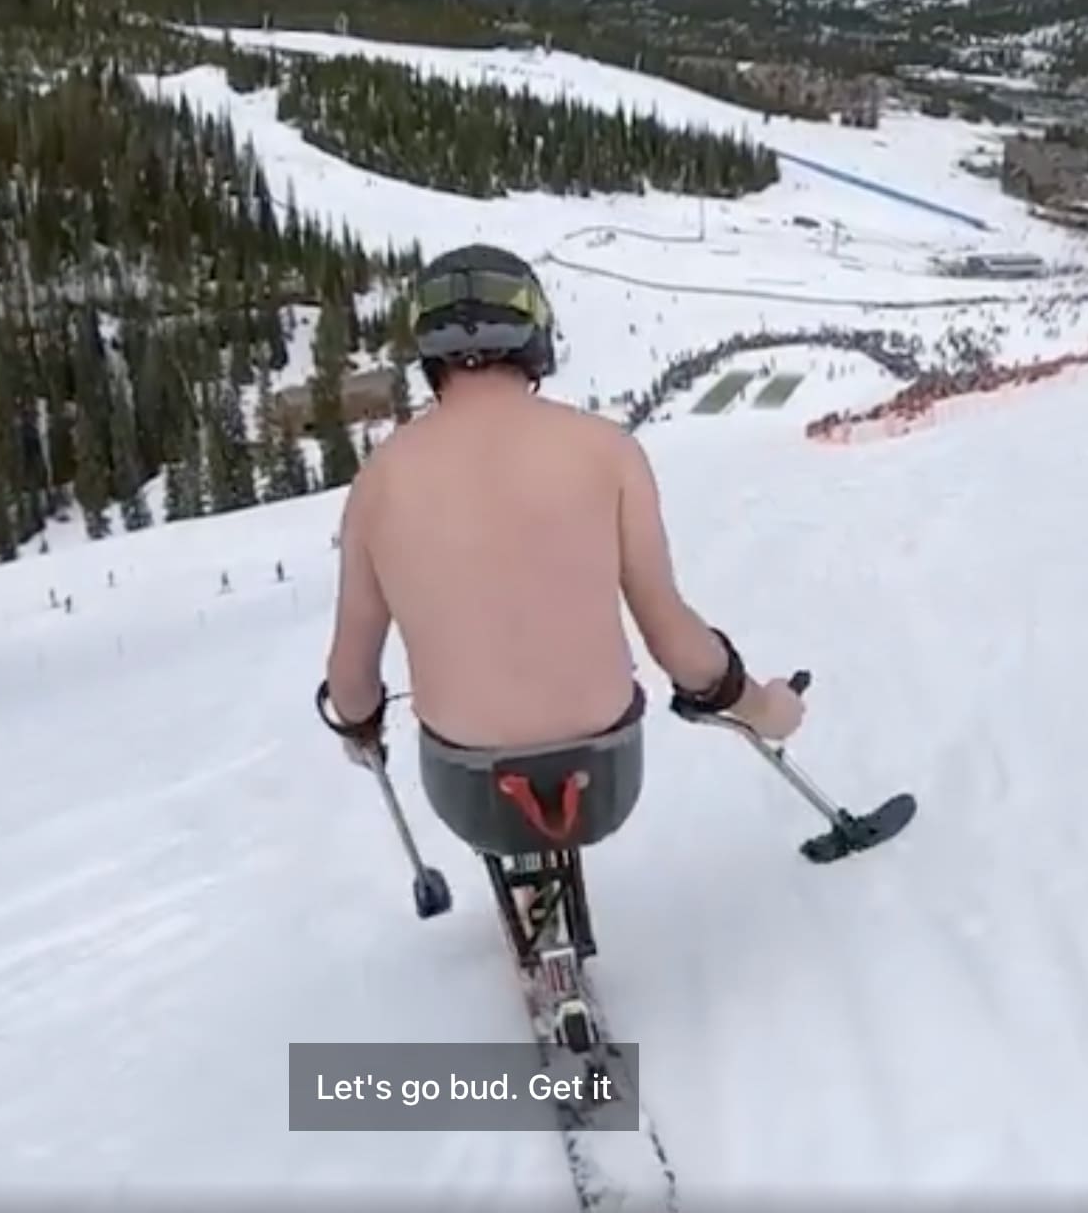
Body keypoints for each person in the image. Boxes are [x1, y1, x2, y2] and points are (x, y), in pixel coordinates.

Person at [315, 244, 805, 858]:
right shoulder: (607, 450)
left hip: (466, 787)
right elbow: (675, 642)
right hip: (605, 773)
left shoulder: (378, 482)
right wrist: (763, 705)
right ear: (534, 335)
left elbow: (351, 684)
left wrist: (361, 731)